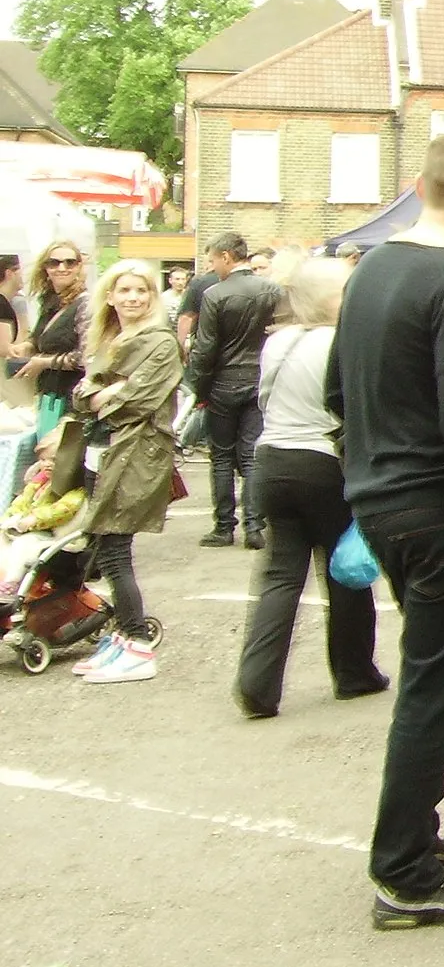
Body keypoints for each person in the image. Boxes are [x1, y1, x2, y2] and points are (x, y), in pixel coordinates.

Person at [327, 132, 444, 930]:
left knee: (427, 680)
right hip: (442, 511)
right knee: (435, 690)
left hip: (381, 503)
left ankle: (416, 839)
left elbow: (338, 393)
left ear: (414, 185)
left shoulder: (369, 272)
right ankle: (403, 870)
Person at [233, 257, 387, 718]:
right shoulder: (344, 343)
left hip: (272, 461)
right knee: (344, 571)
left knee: (280, 577)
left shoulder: (278, 343)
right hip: (323, 462)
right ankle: (354, 672)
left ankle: (257, 685)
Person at [69, 261, 183, 685]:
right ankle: (121, 635)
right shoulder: (110, 339)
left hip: (136, 453)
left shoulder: (160, 342)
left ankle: (136, 642)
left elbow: (138, 398)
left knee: (116, 549)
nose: (134, 298)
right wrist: (103, 393)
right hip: (102, 449)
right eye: (126, 290)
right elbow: (83, 395)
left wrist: (106, 394)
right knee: (103, 544)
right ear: (111, 296)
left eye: (143, 291)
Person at [188, 232, 284, 549]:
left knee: (221, 457)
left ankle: (223, 526)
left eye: (214, 259)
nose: (213, 266)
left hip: (223, 382)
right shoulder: (272, 290)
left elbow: (205, 349)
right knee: (253, 455)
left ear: (227, 257)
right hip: (261, 378)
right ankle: (255, 526)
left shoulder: (215, 295)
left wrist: (198, 389)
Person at [13, 238, 92, 437]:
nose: (62, 268)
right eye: (54, 263)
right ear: (45, 269)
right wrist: (27, 346)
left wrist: (43, 362)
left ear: (79, 267)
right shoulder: (50, 301)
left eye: (70, 262)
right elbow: (41, 336)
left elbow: (86, 358)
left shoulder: (86, 305)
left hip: (72, 399)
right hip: (49, 395)